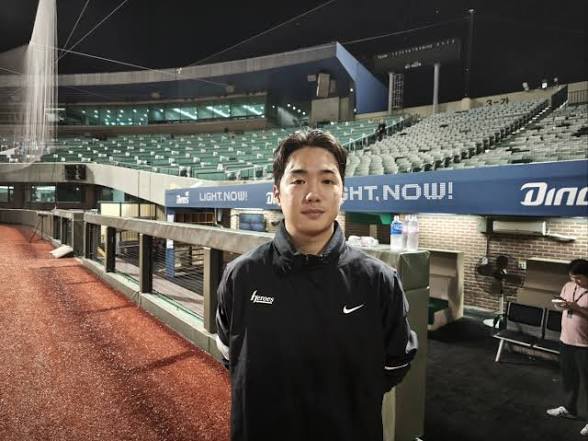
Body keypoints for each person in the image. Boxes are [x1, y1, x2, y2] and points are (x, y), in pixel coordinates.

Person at [216, 129, 418, 441]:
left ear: (343, 192)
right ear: (276, 193)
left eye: (327, 180)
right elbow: (230, 354)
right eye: (298, 180)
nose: (313, 194)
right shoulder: (240, 276)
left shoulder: (379, 281)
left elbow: (396, 363)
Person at [546, 258, 588, 437]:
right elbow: (561, 306)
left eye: (578, 278)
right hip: (566, 340)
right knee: (569, 378)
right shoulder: (568, 286)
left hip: (585, 345)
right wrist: (560, 305)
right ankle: (569, 409)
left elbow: (579, 309)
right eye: (572, 277)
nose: (574, 281)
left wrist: (577, 308)